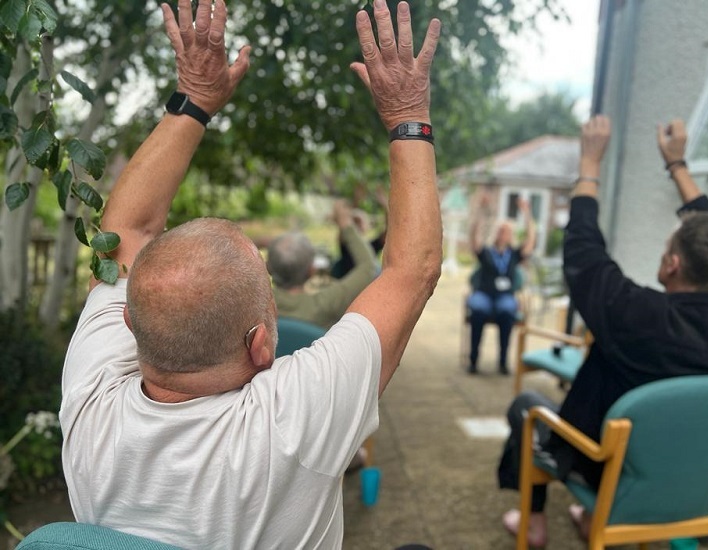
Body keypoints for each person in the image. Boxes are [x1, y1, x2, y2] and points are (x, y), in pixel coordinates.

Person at [60, 0, 442, 548]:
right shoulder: (291, 422)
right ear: (262, 345)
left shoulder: (89, 395)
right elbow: (413, 272)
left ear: (126, 321)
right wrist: (408, 109)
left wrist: (193, 98)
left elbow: (126, 230)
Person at [497, 116, 708, 547]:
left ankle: (537, 523)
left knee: (527, 407)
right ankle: (589, 517)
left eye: (667, 249)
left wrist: (589, 163)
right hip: (687, 483)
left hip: (607, 470)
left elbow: (583, 252)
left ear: (672, 264)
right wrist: (677, 166)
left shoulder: (638, 316)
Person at [268, 199, 378, 329]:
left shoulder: (257, 303)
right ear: (312, 271)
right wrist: (346, 224)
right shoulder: (324, 304)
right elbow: (369, 267)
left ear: (268, 267)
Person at [467, 192, 536, 375]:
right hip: (484, 294)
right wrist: (481, 212)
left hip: (505, 296)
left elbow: (530, 241)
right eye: (500, 230)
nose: (502, 233)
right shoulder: (486, 252)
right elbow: (475, 238)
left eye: (506, 231)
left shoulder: (514, 254)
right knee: (478, 310)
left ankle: (503, 361)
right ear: (496, 233)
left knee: (507, 311)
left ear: (510, 235)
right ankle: (473, 360)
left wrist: (527, 214)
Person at [330, 187, 388, 279]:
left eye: (359, 221)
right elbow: (345, 224)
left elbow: (388, 232)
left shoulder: (371, 246)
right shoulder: (346, 245)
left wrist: (386, 206)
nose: (357, 225)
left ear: (366, 227)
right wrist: (355, 202)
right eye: (354, 222)